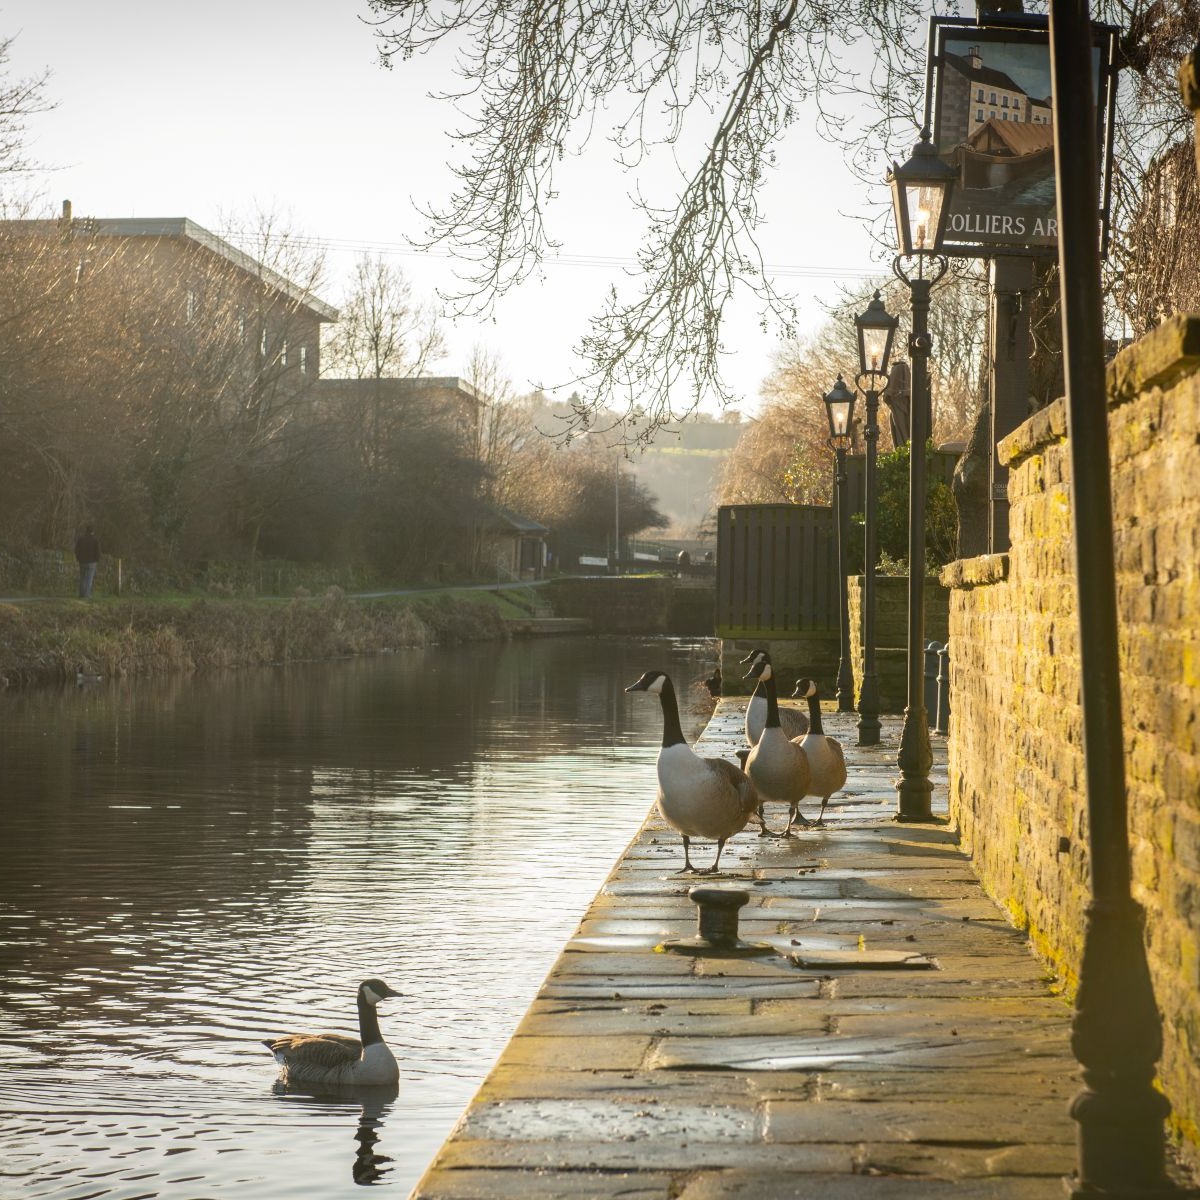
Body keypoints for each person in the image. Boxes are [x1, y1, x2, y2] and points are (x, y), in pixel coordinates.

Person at [74, 525, 100, 599]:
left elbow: (76, 550)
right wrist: (96, 560)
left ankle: (81, 594)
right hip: (91, 562)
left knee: (82, 578)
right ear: (92, 531)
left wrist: (78, 558)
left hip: (82, 561)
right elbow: (98, 552)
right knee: (89, 578)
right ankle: (87, 595)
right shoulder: (95, 540)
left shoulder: (81, 539)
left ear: (86, 530)